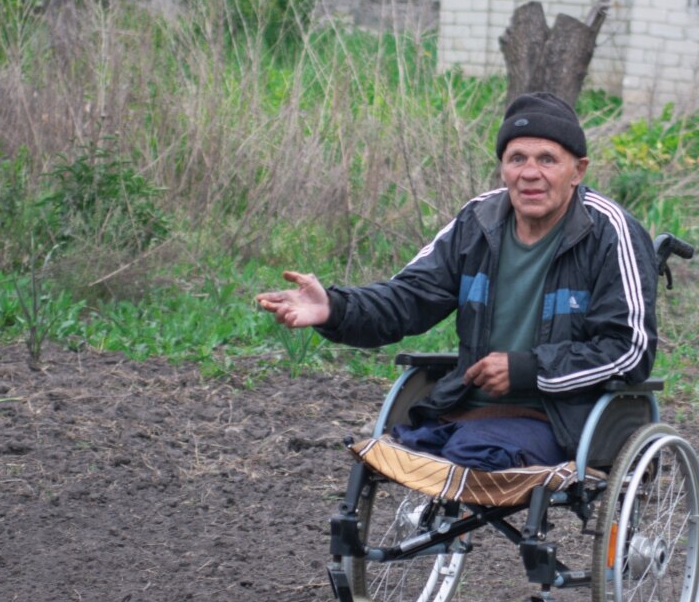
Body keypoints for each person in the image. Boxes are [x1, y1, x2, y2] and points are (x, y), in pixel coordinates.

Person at [256, 92, 658, 471]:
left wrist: (527, 369)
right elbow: (408, 298)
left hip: (560, 419)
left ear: (578, 170)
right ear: (502, 167)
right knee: (392, 453)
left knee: (468, 456)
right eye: (517, 158)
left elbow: (628, 350)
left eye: (547, 159)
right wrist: (334, 308)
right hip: (467, 408)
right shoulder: (478, 222)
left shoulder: (610, 231)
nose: (530, 173)